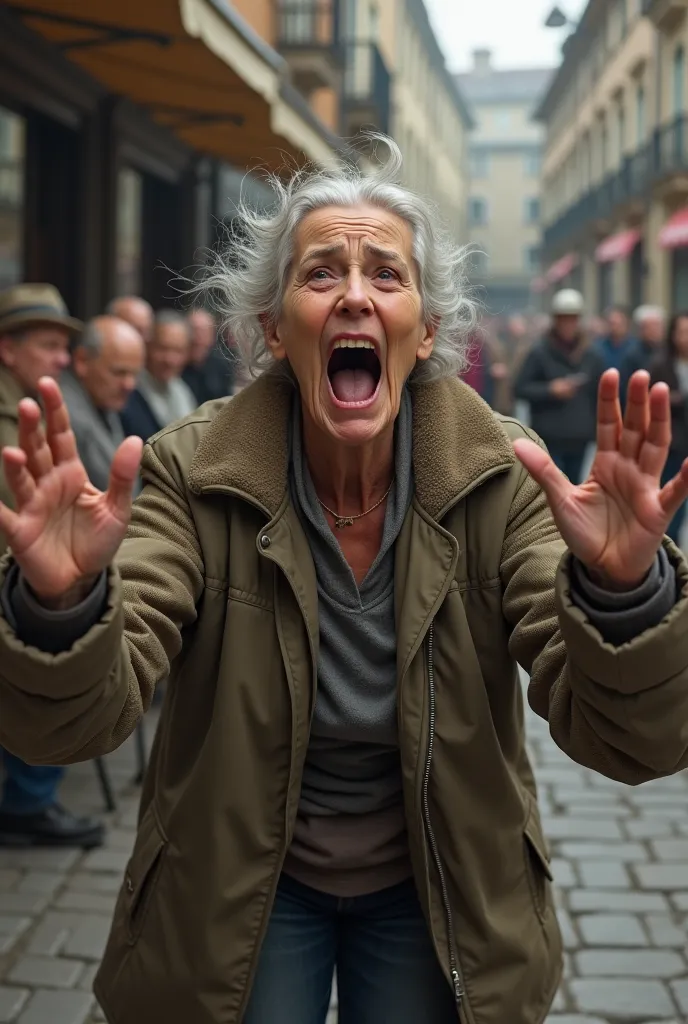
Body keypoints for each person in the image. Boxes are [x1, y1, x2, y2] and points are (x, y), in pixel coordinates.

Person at [0, 142, 687, 1024]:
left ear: (426, 330)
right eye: (321, 272)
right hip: (244, 879)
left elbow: (628, 742)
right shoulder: (191, 469)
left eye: (387, 275)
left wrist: (626, 594)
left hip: (438, 878)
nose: (355, 294)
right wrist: (58, 606)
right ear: (276, 328)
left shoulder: (502, 475)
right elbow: (79, 720)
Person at [0, 283, 103, 848]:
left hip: (22, 576)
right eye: (47, 345)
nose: (63, 359)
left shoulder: (34, 407)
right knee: (54, 634)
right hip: (13, 584)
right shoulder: (14, 418)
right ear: (8, 349)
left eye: (65, 348)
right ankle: (29, 801)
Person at [515, 289, 603, 483]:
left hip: (580, 435)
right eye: (564, 318)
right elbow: (520, 388)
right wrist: (550, 390)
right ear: (556, 320)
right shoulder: (540, 352)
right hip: (550, 434)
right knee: (552, 489)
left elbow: (599, 395)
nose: (569, 324)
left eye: (573, 319)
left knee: (574, 487)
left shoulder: (591, 354)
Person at [60, 316, 145, 492]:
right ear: (82, 361)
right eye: (119, 372)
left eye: (134, 374)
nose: (129, 385)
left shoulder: (102, 401)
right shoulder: (68, 417)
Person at [120, 309, 197, 440]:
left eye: (178, 351)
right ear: (148, 346)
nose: (169, 360)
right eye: (163, 348)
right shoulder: (127, 390)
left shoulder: (182, 390)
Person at [650, 311, 688, 545]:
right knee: (671, 502)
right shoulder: (661, 364)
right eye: (682, 332)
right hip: (672, 444)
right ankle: (667, 550)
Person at [182, 308, 234, 403]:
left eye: (204, 332)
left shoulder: (221, 367)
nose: (198, 338)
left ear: (212, 337)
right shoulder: (176, 364)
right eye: (194, 330)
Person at [619, 305, 666, 397]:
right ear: (641, 329)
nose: (654, 330)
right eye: (650, 326)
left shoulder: (668, 351)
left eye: (657, 325)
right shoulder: (632, 355)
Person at [594, 304, 634, 372]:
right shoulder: (597, 348)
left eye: (618, 324)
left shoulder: (635, 349)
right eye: (612, 323)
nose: (615, 328)